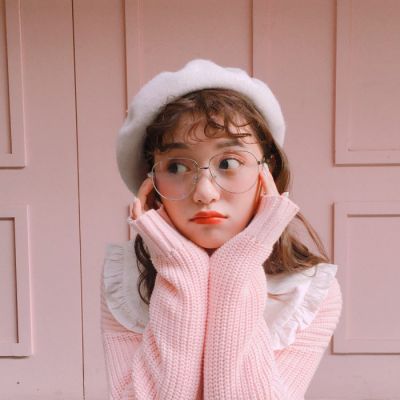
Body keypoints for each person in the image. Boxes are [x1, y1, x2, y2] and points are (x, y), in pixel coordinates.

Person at [101, 59, 343, 399]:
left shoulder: (308, 291)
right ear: (151, 182)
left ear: (268, 172)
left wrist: (237, 267)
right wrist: (181, 269)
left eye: (229, 163)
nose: (204, 192)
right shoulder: (125, 279)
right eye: (176, 166)